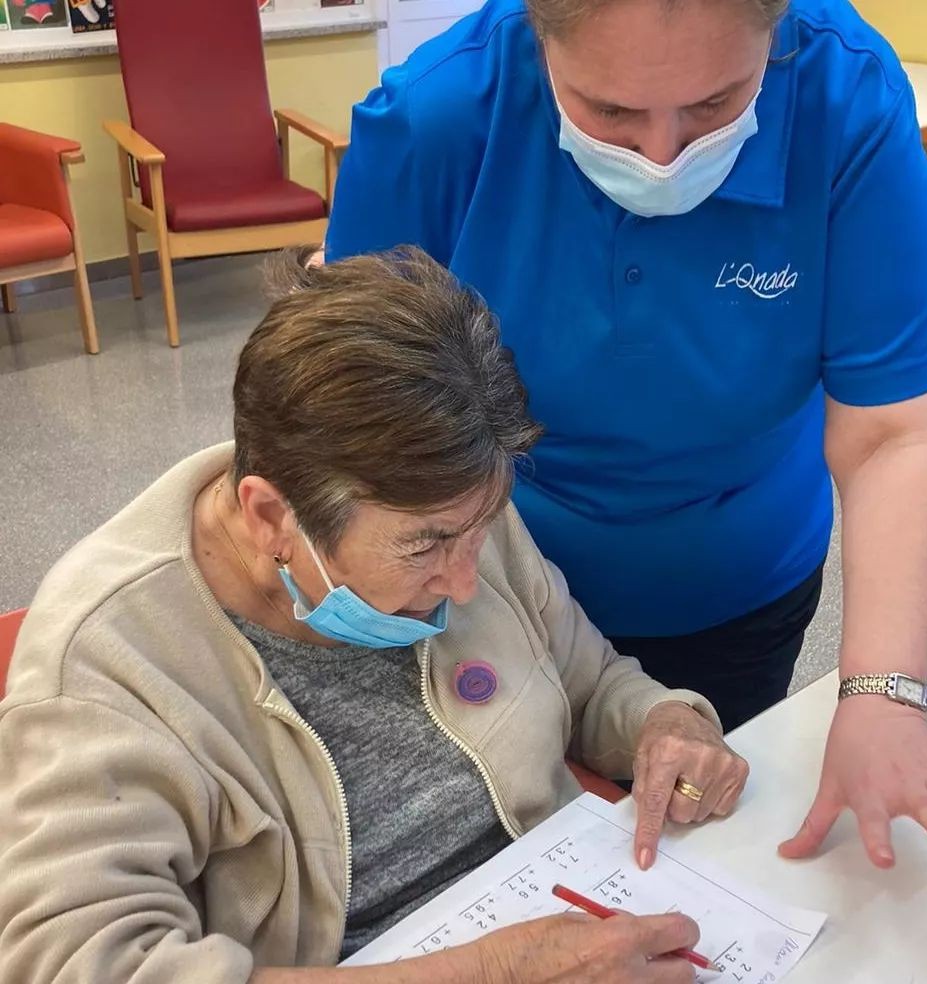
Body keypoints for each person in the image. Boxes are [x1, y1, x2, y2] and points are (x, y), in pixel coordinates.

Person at [324, 0, 927, 867]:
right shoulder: (434, 118)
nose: (663, 157)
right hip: (495, 590)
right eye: (610, 111)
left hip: (738, 584)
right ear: (539, 35)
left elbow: (898, 433)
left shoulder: (845, 96)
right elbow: (353, 424)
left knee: (706, 856)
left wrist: (882, 696)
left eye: (715, 105)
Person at [0, 248, 749, 984]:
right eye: (425, 546)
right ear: (272, 518)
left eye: (482, 526)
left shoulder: (453, 502)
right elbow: (73, 963)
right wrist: (493, 973)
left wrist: (664, 722)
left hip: (563, 903)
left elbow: (589, 679)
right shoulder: (106, 665)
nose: (465, 584)